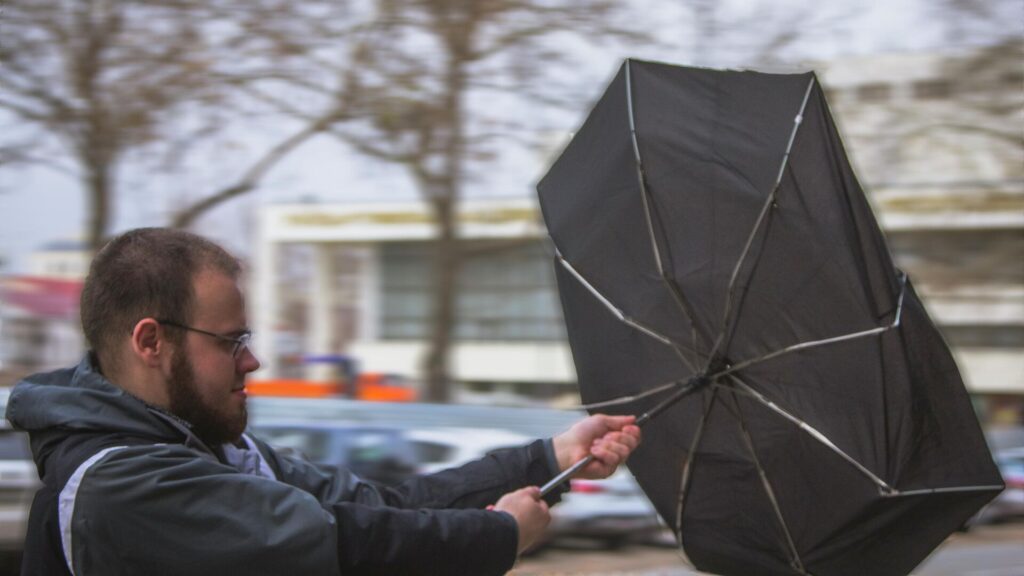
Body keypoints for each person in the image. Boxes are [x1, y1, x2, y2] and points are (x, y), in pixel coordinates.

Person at [6, 227, 641, 576]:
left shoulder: (220, 453)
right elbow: (352, 542)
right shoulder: (116, 484)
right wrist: (498, 535)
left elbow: (380, 505)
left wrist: (549, 456)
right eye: (231, 342)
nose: (252, 361)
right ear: (151, 341)